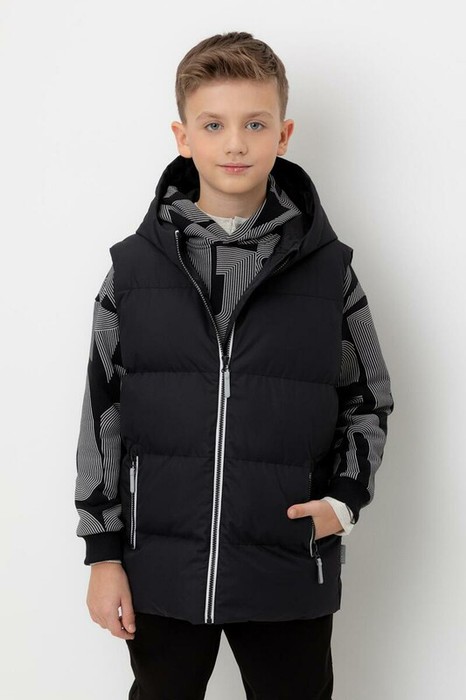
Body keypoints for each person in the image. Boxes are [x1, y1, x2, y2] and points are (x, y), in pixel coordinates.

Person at [75, 31, 394, 699]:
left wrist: (344, 502)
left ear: (284, 134)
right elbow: (103, 414)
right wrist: (103, 554)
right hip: (162, 561)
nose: (235, 143)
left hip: (288, 559)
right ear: (183, 136)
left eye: (255, 123)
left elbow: (368, 398)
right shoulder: (132, 272)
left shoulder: (329, 273)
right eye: (213, 124)